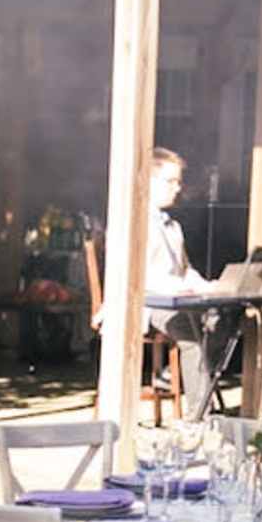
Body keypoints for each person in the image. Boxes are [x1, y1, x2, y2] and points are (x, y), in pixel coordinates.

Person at [90, 147, 221, 415]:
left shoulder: (173, 227)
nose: (177, 188)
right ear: (149, 182)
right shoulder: (131, 221)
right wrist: (181, 287)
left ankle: (197, 388)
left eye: (178, 181)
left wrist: (206, 285)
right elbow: (136, 275)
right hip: (140, 303)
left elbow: (184, 270)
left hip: (173, 299)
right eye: (170, 181)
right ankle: (200, 415)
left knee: (219, 320)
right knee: (190, 332)